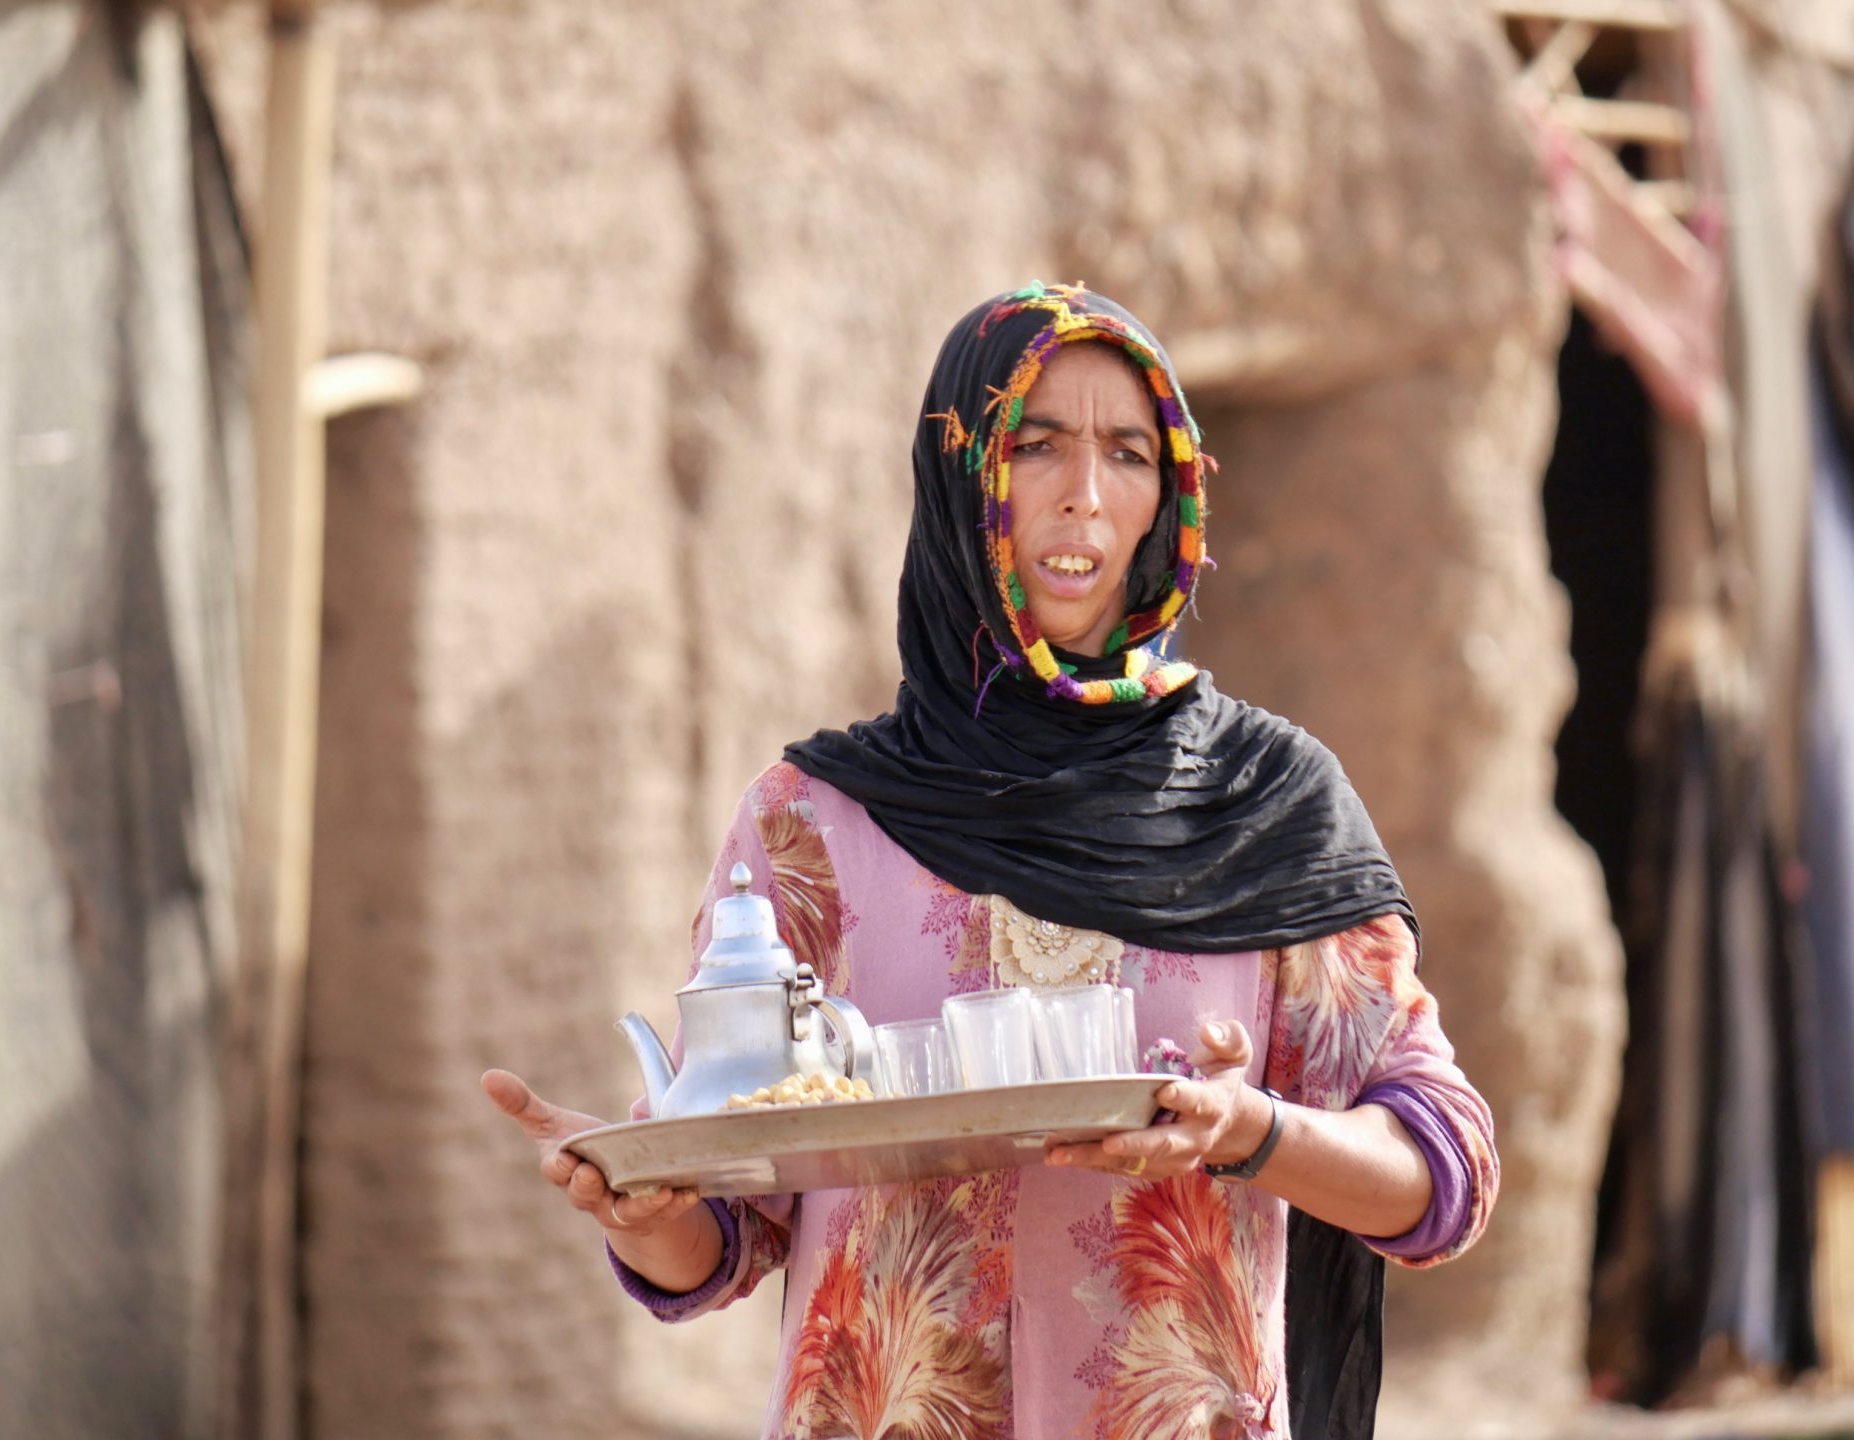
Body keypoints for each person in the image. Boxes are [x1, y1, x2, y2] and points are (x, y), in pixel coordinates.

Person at [484, 282, 1497, 1440]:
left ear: (1167, 496)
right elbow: (731, 1238)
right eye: (1035, 445)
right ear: (962, 477)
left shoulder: (1267, 806)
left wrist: (1253, 1132)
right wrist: (642, 1208)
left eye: (1127, 453)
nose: (1081, 493)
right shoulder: (814, 825)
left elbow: (1442, 1175)